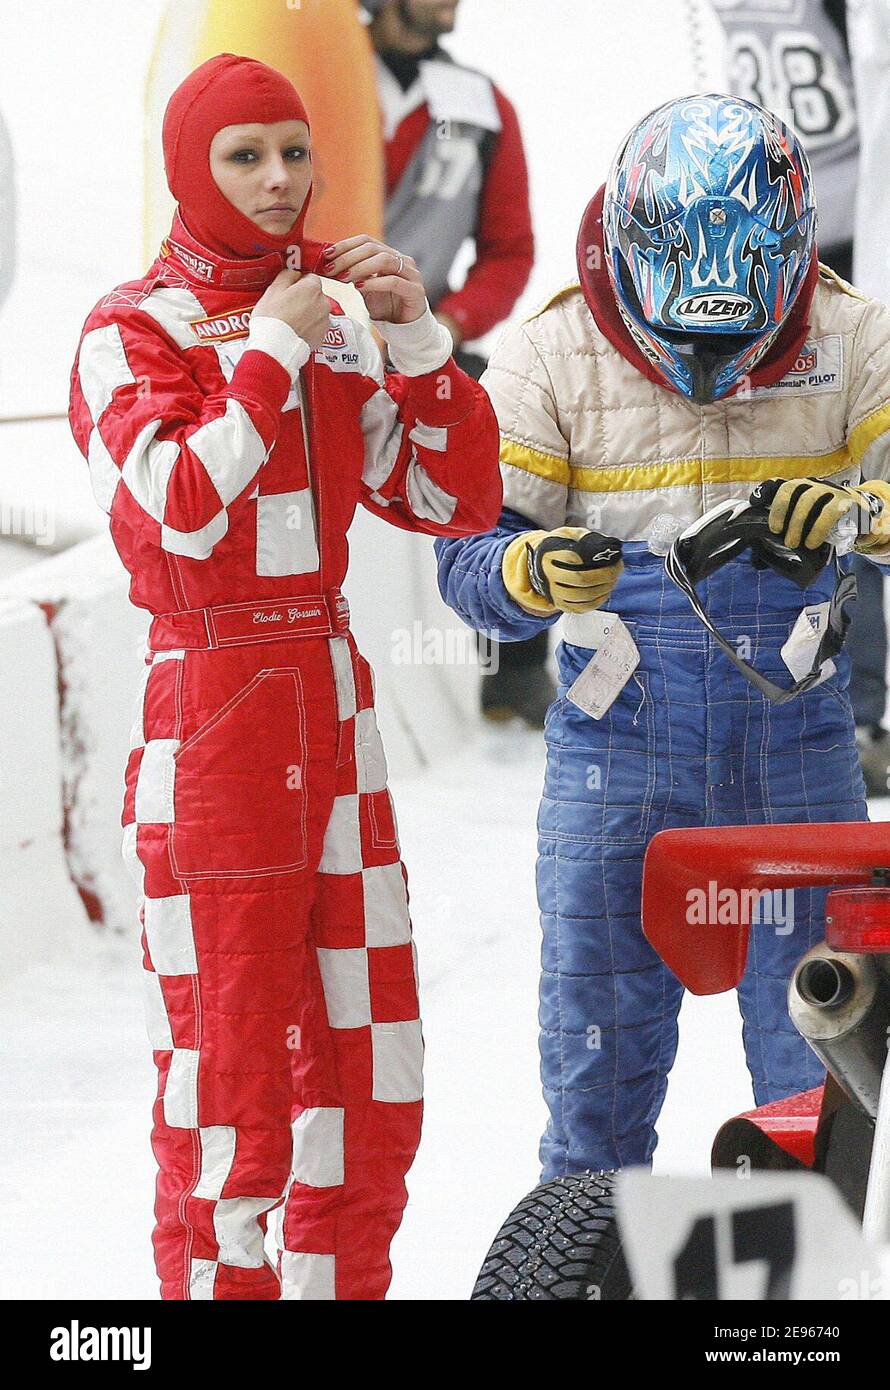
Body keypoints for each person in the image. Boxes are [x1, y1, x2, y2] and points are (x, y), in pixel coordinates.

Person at [68, 53, 500, 1300]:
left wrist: (417, 337)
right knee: (230, 1086)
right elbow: (179, 509)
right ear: (187, 171)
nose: (276, 182)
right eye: (242, 157)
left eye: (294, 153)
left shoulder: (335, 311)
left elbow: (449, 495)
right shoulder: (126, 327)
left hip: (332, 694)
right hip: (210, 710)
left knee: (371, 1072)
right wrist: (266, 352)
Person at [437, 94, 890, 1176]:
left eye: (736, 330)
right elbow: (462, 558)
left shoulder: (852, 330)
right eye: (684, 325)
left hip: (796, 763)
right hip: (613, 768)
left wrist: (856, 517)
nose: (708, 356)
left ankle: (797, 1327)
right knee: (591, 1105)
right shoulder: (546, 354)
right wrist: (524, 570)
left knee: (823, 1104)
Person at [711, 0, 889, 793]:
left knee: (861, 473)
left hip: (859, 227)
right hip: (774, 234)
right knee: (787, 464)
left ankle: (860, 708)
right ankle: (793, 692)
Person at [363, 0, 552, 726]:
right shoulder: (318, 70)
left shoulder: (480, 104)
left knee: (506, 430)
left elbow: (511, 250)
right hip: (308, 328)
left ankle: (513, 662)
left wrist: (444, 322)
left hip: (420, 337)